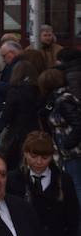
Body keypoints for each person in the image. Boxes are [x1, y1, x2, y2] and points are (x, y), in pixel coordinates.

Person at [6, 132, 78, 236]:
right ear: (25, 153)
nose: (39, 162)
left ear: (51, 156)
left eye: (45, 157)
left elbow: (73, 219)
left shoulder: (63, 180)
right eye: (33, 156)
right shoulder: (13, 180)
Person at [38, 69, 81, 206]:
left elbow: (77, 122)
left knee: (76, 186)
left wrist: (69, 143)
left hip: (73, 151)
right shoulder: (56, 99)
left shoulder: (63, 100)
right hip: (67, 151)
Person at [0, 60, 40, 170]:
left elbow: (7, 115)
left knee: (13, 162)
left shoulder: (15, 91)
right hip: (35, 130)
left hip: (17, 132)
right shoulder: (38, 90)